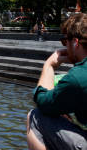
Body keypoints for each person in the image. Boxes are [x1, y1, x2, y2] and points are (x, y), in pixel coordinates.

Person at [26, 13, 87, 150]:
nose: (65, 47)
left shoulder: (78, 77)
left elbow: (44, 102)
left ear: (75, 42)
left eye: (65, 42)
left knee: (36, 116)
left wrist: (50, 65)